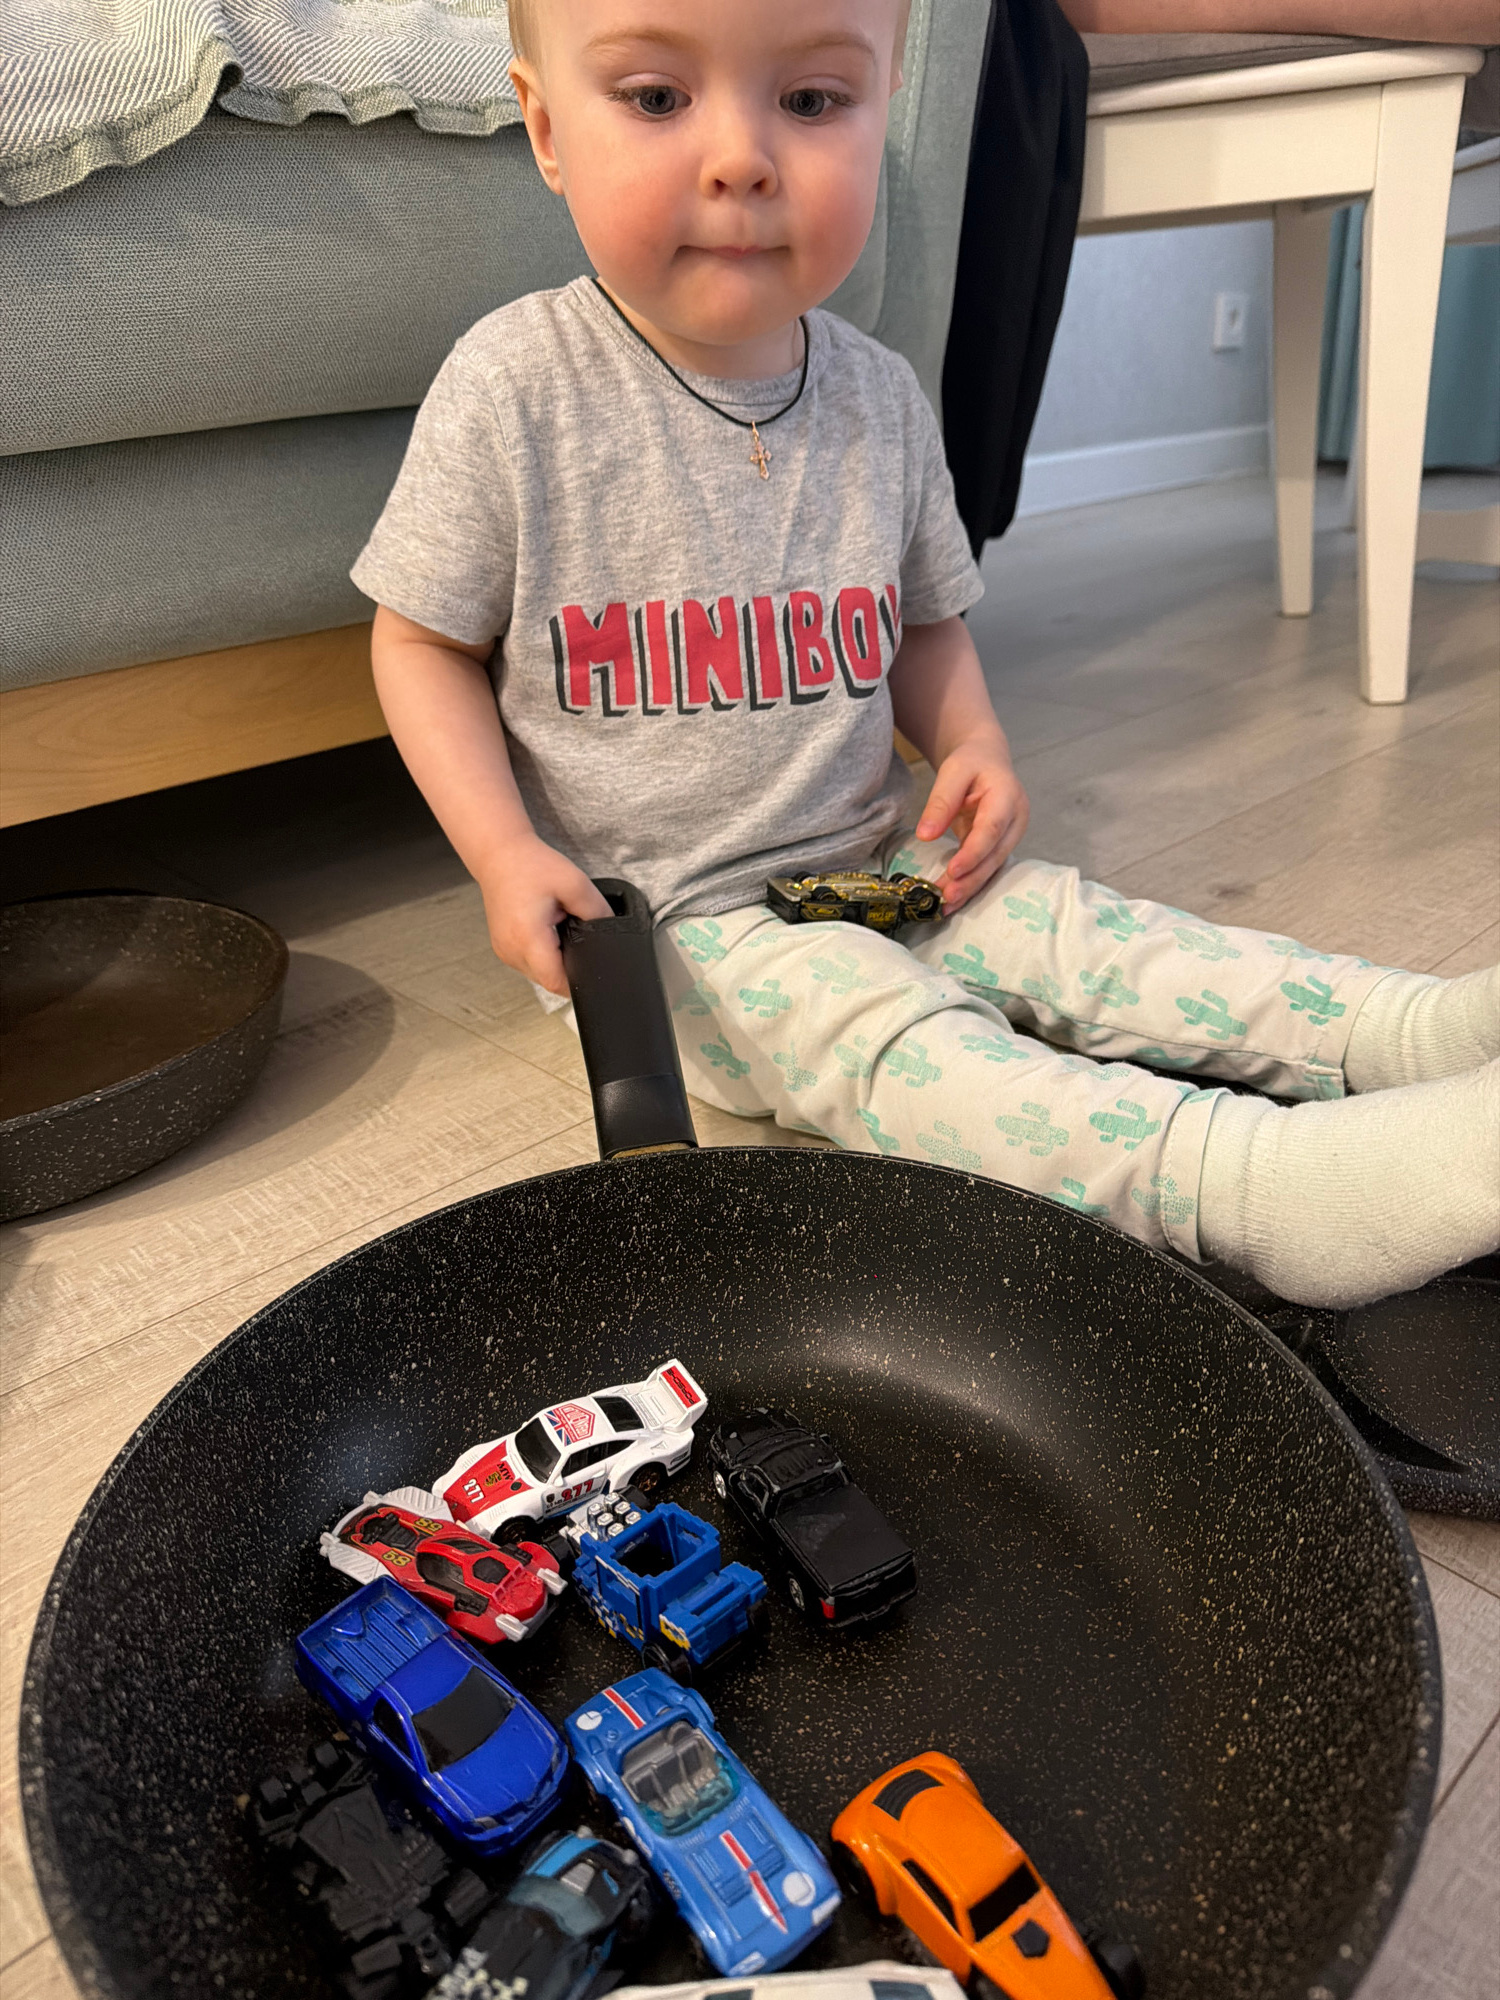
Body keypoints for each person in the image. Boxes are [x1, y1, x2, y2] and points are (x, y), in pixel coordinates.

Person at [353, 0, 1498, 1310]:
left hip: (882, 859)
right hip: (672, 931)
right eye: (659, 99)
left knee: (1094, 938)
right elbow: (421, 643)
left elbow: (924, 622)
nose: (742, 160)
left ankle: (1410, 1031)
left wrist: (973, 741)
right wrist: (504, 854)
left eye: (812, 102)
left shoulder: (881, 395)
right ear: (549, 130)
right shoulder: (516, 388)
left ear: (885, 108)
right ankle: (1262, 1190)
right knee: (908, 1046)